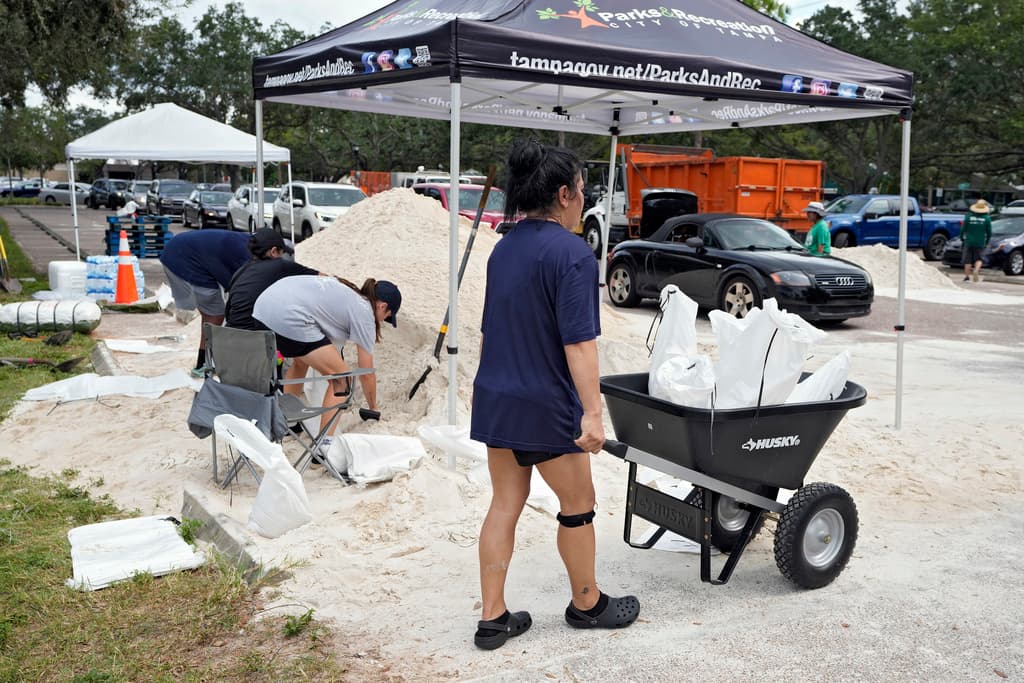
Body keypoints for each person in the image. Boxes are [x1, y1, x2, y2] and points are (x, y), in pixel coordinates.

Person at [469, 139, 639, 651]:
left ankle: (492, 619)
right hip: (545, 403)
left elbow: (490, 330)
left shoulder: (503, 247)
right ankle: (587, 603)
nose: (584, 199)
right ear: (564, 194)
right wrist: (593, 413)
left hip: (498, 394)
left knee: (505, 501)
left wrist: (489, 389)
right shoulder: (573, 254)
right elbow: (579, 344)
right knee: (578, 503)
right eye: (582, 190)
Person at [252, 275, 401, 433]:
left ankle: (285, 424)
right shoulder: (365, 313)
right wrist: (373, 408)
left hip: (262, 310)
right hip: (289, 318)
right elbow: (366, 372)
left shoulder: (349, 291)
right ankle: (325, 442)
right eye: (387, 317)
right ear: (382, 307)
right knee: (342, 380)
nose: (382, 321)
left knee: (301, 362)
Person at [158, 228, 251, 374]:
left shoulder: (248, 243)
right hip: (185, 259)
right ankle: (205, 364)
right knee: (216, 315)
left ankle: (204, 363)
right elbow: (241, 293)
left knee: (210, 316)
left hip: (176, 251)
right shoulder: (248, 257)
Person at [224, 228, 319, 331]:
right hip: (255, 336)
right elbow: (323, 278)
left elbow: (229, 311)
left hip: (228, 333)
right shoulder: (281, 266)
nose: (283, 256)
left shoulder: (242, 270)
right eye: (282, 252)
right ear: (273, 251)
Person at [960, 199, 992, 282]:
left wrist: (962, 238)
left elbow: (963, 229)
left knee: (967, 260)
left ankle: (967, 277)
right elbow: (989, 232)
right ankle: (976, 270)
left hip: (969, 241)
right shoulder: (987, 218)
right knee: (979, 259)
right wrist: (987, 241)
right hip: (980, 241)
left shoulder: (968, 217)